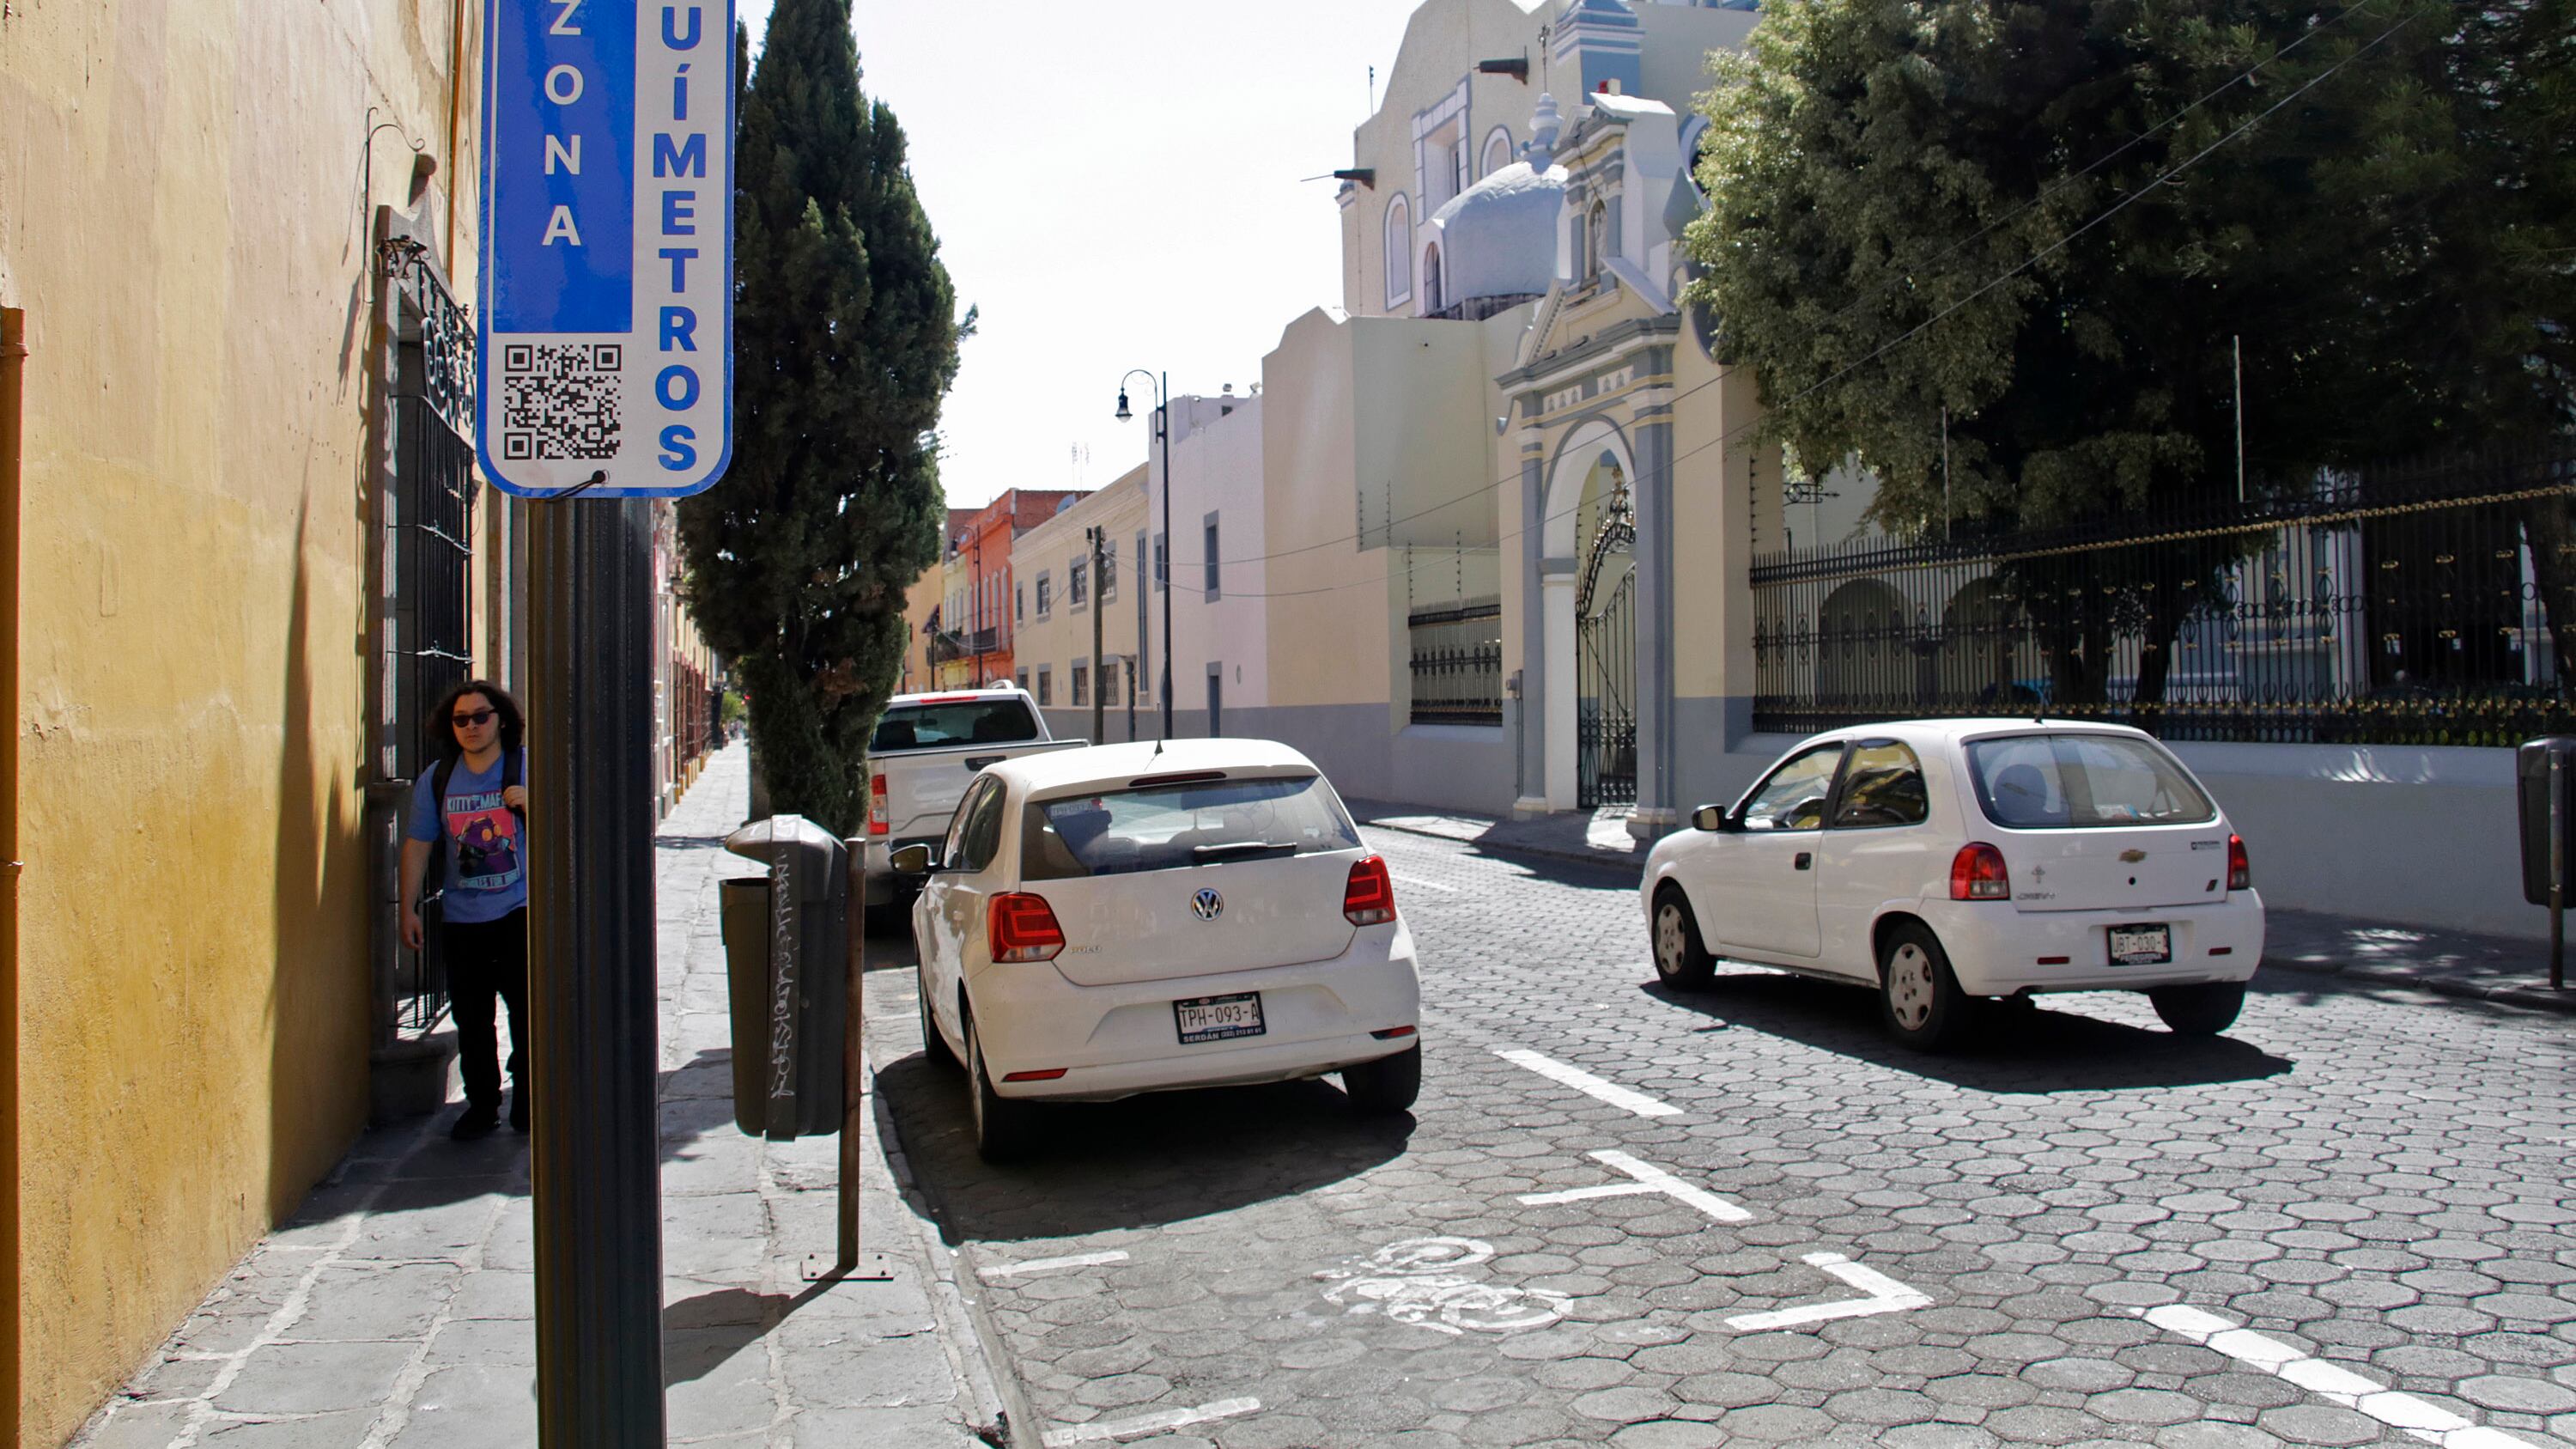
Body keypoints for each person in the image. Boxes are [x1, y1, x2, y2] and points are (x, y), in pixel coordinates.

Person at [402, 679, 531, 1141]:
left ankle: (529, 1097)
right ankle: (482, 1104)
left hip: (520, 911)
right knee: (471, 1019)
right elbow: (418, 845)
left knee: (527, 1009)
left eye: (481, 716)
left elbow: (566, 824)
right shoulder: (438, 779)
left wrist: (533, 805)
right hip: (462, 919)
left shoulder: (523, 768)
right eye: (462, 719)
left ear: (501, 720)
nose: (472, 726)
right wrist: (408, 908)